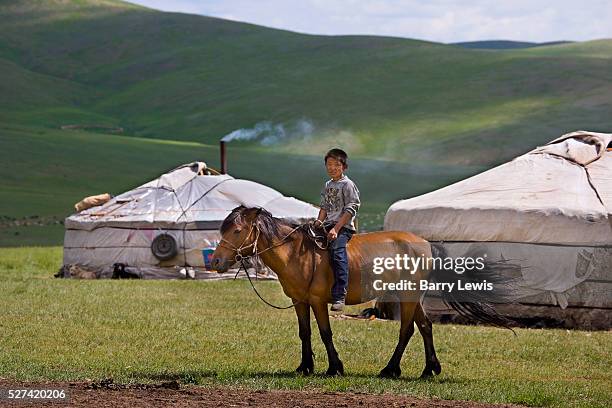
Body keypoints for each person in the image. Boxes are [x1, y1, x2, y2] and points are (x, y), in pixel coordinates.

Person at [315, 148, 360, 312]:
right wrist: (318, 222)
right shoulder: (328, 185)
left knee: (337, 253)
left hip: (343, 227)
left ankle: (340, 294)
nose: (331, 168)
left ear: (344, 167)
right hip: (328, 225)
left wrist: (336, 228)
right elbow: (324, 207)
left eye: (336, 164)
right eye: (328, 164)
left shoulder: (348, 185)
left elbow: (351, 209)